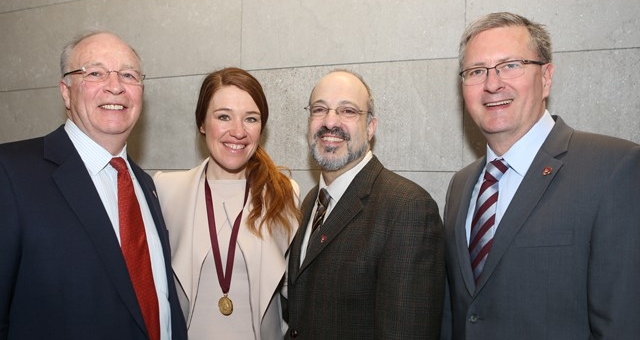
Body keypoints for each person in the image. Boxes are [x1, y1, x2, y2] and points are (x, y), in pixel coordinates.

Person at [441, 12, 640, 340]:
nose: (493, 84)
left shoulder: (615, 169)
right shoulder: (461, 185)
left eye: (511, 65)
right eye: (477, 71)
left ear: (546, 77)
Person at [0, 30, 187, 339]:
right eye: (95, 73)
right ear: (65, 91)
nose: (115, 86)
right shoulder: (11, 174)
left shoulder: (145, 185)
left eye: (128, 75)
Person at [285, 69, 445, 339]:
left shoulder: (408, 208)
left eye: (347, 111)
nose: (330, 122)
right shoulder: (310, 201)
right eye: (319, 110)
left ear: (370, 127)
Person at [153, 67, 301, 339]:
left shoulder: (284, 194)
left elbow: (297, 294)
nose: (238, 131)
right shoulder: (165, 190)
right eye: (223, 117)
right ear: (201, 123)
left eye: (251, 119)